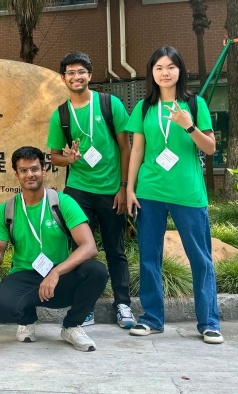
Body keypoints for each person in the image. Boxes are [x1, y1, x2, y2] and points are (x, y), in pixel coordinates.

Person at [126, 46, 222, 344]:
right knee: (149, 257)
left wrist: (188, 125)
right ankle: (152, 318)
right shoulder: (143, 108)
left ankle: (208, 322)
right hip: (150, 191)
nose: (164, 72)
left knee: (200, 259)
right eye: (158, 68)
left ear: (180, 70)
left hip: (188, 193)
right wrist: (129, 188)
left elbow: (209, 148)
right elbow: (137, 150)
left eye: (170, 67)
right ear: (151, 73)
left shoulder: (195, 104)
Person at [0, 146, 108, 352]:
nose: (29, 174)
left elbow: (89, 247)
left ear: (44, 170)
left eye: (34, 169)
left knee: (96, 271)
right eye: (23, 170)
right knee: (1, 308)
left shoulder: (61, 202)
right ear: (16, 174)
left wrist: (56, 272)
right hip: (25, 275)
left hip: (60, 276)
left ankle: (71, 326)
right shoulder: (8, 209)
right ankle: (27, 319)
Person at [48, 52, 135, 329]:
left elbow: (125, 147)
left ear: (90, 74)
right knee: (79, 250)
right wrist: (69, 158)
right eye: (71, 72)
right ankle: (84, 308)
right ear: (63, 78)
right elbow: (53, 157)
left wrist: (124, 187)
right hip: (78, 190)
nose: (76, 77)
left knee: (115, 249)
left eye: (81, 71)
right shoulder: (60, 114)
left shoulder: (110, 104)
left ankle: (123, 303)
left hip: (111, 189)